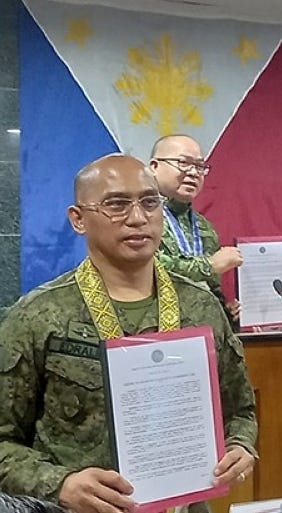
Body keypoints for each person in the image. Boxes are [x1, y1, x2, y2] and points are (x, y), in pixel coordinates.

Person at [0, 154, 257, 513]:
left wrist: (241, 447)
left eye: (150, 203)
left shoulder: (200, 307)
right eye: (116, 204)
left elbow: (240, 409)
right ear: (78, 219)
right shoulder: (38, 316)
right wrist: (59, 483)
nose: (137, 218)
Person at [149, 134, 243, 326]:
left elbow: (211, 287)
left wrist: (226, 310)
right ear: (154, 167)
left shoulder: (204, 227)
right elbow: (148, 269)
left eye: (200, 166)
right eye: (183, 163)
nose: (193, 172)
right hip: (153, 329)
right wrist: (209, 265)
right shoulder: (138, 216)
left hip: (201, 335)